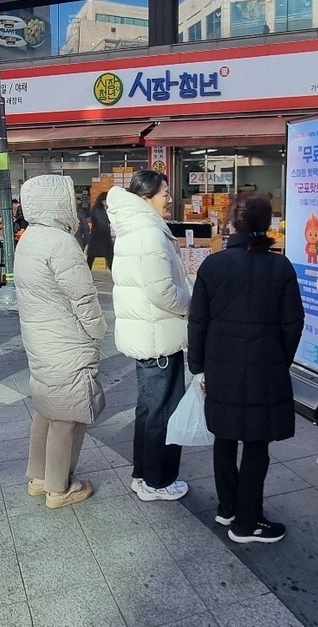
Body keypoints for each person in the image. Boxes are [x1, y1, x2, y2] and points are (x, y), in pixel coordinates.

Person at [188, 194, 303, 543]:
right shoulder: (280, 267)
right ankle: (247, 521)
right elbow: (293, 323)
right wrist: (280, 360)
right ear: (267, 225)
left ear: (231, 224)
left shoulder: (213, 265)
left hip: (220, 367)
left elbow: (198, 321)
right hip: (265, 368)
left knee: (224, 437)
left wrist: (199, 367)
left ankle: (228, 507)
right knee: (256, 443)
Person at [15, 175, 106, 509]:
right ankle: (59, 487)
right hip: (66, 340)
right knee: (67, 415)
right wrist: (98, 330)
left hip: (40, 339)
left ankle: (39, 477)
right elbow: (83, 296)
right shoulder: (61, 243)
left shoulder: (29, 238)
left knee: (46, 408)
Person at [107, 171, 191, 501]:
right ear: (145, 199)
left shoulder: (131, 229)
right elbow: (162, 292)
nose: (170, 199)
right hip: (159, 336)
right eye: (164, 194)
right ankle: (158, 482)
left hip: (148, 334)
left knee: (148, 410)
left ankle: (143, 474)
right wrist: (193, 304)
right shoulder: (151, 233)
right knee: (163, 412)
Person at [86, 194, 113, 270]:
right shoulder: (98, 210)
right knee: (108, 256)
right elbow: (102, 223)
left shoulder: (98, 209)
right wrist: (108, 229)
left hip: (98, 237)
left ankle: (87, 272)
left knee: (91, 257)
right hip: (100, 237)